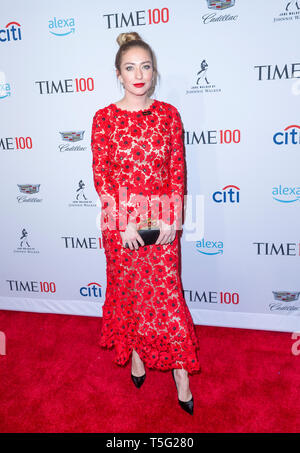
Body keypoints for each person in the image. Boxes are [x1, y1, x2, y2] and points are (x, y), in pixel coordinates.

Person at [91, 32, 200, 415]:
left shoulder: (169, 114)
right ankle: (136, 353)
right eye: (130, 67)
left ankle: (181, 373)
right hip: (121, 226)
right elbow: (102, 177)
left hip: (161, 223)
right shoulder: (103, 119)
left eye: (146, 66)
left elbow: (177, 172)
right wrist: (121, 223)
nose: (139, 74)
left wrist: (173, 216)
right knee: (131, 296)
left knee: (169, 300)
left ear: (154, 73)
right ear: (118, 74)